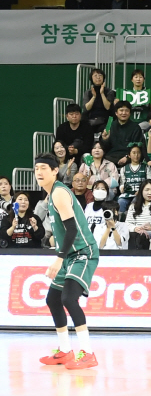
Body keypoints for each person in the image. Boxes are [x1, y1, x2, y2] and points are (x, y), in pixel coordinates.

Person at [33, 154, 101, 370]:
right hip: (69, 254)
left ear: (55, 171)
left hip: (83, 252)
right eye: (36, 169)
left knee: (69, 299)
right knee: (53, 299)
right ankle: (64, 351)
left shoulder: (60, 193)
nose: (39, 172)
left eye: (44, 168)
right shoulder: (49, 196)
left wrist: (58, 259)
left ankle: (88, 353)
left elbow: (72, 229)